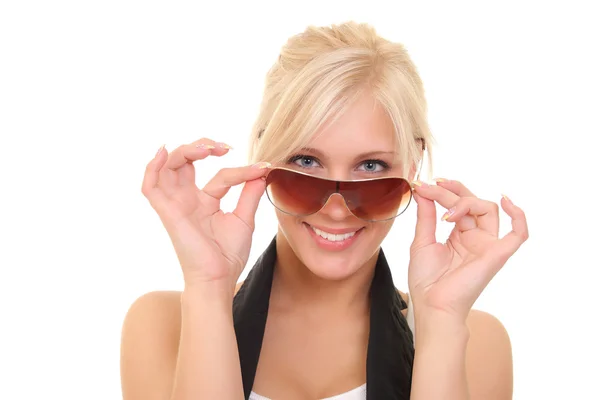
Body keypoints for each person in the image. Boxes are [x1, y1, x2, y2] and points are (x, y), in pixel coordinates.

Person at [120, 21, 529, 400]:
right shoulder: (161, 326)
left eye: (372, 168)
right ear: (265, 158)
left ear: (413, 165)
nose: (336, 209)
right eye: (306, 162)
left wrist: (439, 323)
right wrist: (208, 287)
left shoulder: (477, 341)